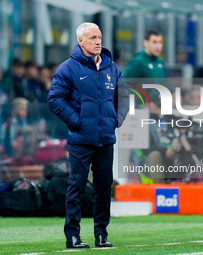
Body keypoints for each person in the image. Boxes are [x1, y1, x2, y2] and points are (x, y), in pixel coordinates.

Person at [48, 22, 129, 249]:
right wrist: (77, 121)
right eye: (92, 37)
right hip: (81, 140)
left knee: (104, 187)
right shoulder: (68, 68)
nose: (97, 41)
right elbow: (54, 99)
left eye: (99, 37)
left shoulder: (112, 68)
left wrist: (116, 120)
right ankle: (72, 235)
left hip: (106, 139)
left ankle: (101, 234)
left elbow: (123, 98)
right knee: (77, 186)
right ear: (81, 41)